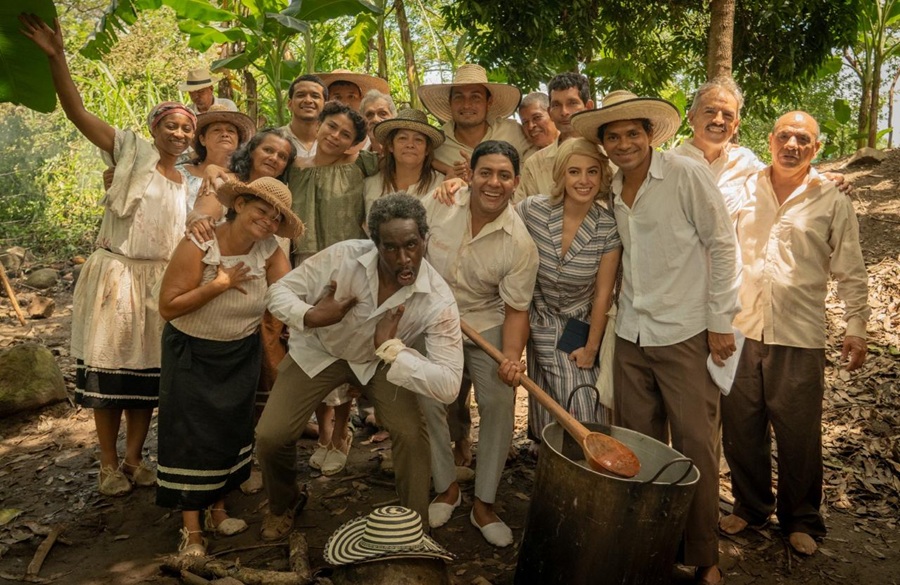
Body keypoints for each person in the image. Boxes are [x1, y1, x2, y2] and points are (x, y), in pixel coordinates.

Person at [20, 14, 196, 496]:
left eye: (186, 128)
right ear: (155, 128)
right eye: (171, 125)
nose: (179, 134)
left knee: (144, 378)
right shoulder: (129, 152)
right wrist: (57, 57)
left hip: (159, 283)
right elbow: (75, 110)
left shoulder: (189, 182)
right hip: (117, 273)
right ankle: (106, 463)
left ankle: (137, 458)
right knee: (109, 373)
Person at [571, 91, 740, 585]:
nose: (624, 144)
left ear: (650, 135)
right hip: (631, 333)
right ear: (604, 145)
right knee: (638, 444)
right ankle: (650, 541)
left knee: (695, 446)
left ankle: (704, 555)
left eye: (632, 133)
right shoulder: (614, 187)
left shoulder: (685, 174)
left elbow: (723, 246)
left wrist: (719, 321)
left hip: (685, 331)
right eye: (613, 136)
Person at [257, 193, 464, 540]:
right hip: (321, 352)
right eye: (391, 248)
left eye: (412, 245)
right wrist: (311, 315)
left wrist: (392, 350)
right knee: (271, 435)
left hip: (381, 362)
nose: (403, 259)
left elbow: (448, 386)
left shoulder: (438, 299)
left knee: (412, 435)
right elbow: (278, 292)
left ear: (425, 240)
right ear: (375, 245)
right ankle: (284, 503)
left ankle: (413, 529)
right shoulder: (343, 257)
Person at [720, 111, 870, 556]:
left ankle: (801, 518)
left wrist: (856, 326)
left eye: (803, 139)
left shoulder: (831, 198)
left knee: (798, 432)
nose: (792, 145)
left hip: (799, 333)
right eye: (784, 136)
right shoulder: (744, 189)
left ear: (816, 149)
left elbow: (850, 267)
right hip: (740, 328)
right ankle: (750, 507)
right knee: (741, 427)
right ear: (770, 140)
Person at [156, 177, 302, 556]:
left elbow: (287, 295)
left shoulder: (269, 249)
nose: (268, 221)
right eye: (261, 210)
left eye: (275, 217)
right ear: (239, 203)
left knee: (228, 430)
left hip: (239, 352)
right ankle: (191, 531)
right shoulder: (200, 243)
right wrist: (219, 284)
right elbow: (169, 306)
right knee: (190, 435)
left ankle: (218, 510)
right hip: (192, 351)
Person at [419, 140, 538, 547]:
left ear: (516, 183)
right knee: (431, 398)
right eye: (485, 172)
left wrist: (511, 357)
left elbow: (516, 309)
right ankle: (446, 487)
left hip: (485, 322)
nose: (494, 182)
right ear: (469, 175)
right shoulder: (439, 204)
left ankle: (484, 502)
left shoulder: (519, 243)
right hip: (433, 318)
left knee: (499, 401)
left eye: (504, 175)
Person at [290, 101, 378, 476]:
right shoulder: (292, 168)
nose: (335, 136)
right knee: (312, 349)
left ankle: (342, 432)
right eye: (332, 127)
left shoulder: (360, 166)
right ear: (320, 125)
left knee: (344, 350)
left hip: (347, 269)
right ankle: (323, 431)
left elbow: (409, 163)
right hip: (303, 268)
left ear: (353, 143)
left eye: (345, 134)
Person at [515, 137, 621, 441]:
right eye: (574, 172)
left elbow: (603, 293)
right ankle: (554, 474)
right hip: (539, 322)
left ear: (602, 176)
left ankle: (591, 474)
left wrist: (591, 349)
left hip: (579, 326)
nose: (584, 180)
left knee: (584, 408)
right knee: (547, 415)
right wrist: (454, 187)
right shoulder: (532, 211)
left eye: (592, 172)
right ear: (561, 175)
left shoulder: (606, 226)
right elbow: (494, 220)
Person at [674, 77, 850, 214]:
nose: (718, 120)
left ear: (735, 126)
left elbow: (784, 174)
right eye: (710, 111)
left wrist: (823, 178)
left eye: (727, 115)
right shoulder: (667, 165)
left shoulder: (744, 160)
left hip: (729, 261)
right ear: (691, 117)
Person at [418, 64, 530, 179]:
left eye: (475, 97)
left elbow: (542, 155)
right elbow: (416, 160)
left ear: (489, 102)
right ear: (450, 102)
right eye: (459, 97)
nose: (466, 105)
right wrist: (446, 169)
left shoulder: (512, 131)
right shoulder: (438, 142)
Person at [516, 72, 594, 202]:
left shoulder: (608, 155)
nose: (564, 112)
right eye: (556, 105)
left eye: (572, 103)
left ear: (589, 107)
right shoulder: (534, 165)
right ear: (550, 112)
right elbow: (521, 214)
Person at [364, 108, 445, 215]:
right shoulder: (370, 184)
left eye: (418, 140)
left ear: (427, 149)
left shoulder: (440, 186)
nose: (410, 145)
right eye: (402, 138)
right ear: (391, 146)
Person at [177, 105, 255, 211]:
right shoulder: (178, 173)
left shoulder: (244, 178)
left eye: (231, 131)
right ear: (202, 139)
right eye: (217, 130)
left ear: (238, 141)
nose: (225, 134)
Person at [279, 75, 327, 164]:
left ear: (325, 105)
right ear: (289, 104)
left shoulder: (332, 142)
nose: (308, 100)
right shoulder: (276, 139)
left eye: (315, 96)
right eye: (301, 95)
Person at [360, 89, 398, 154]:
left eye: (383, 114)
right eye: (369, 114)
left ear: (393, 117)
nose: (375, 119)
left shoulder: (405, 155)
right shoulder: (358, 159)